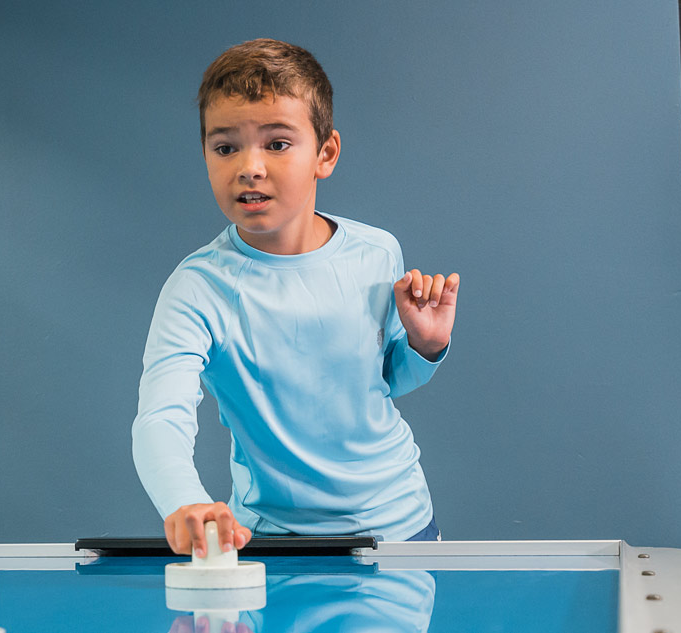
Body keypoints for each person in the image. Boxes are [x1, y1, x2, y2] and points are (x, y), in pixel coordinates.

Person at [132, 38, 461, 558]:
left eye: (277, 143)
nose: (250, 167)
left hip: (397, 532)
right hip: (269, 544)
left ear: (325, 154)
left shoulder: (378, 251)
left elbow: (382, 382)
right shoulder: (196, 288)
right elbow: (160, 416)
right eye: (225, 147)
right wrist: (185, 502)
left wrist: (424, 347)